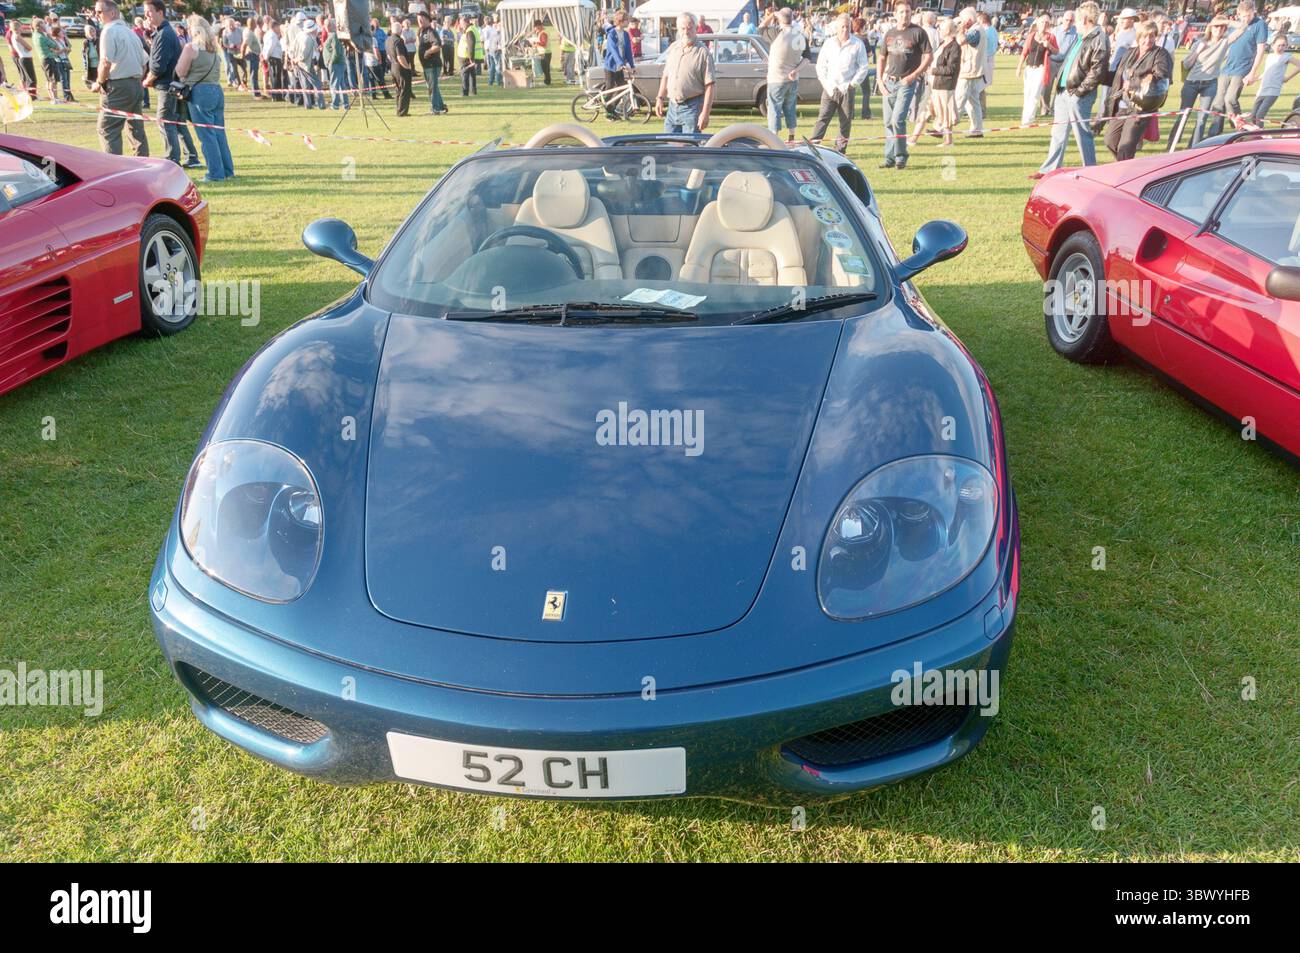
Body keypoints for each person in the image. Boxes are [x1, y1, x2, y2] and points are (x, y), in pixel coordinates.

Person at [1032, 1, 1108, 178]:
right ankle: (1048, 169)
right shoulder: (1081, 36)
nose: (1075, 24)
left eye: (1078, 20)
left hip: (1078, 94)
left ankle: (1091, 171)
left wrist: (1080, 92)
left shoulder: (1099, 38)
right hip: (1064, 90)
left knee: (1082, 133)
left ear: (1086, 19)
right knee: (1058, 132)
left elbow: (1097, 71)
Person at [1103, 20, 1171, 160]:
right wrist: (1100, 76)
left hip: (1141, 107)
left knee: (1126, 147)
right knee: (1110, 141)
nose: (1148, 40)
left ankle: (1125, 174)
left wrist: (1134, 84)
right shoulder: (1129, 53)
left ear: (1156, 37)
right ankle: (1127, 167)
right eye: (1145, 36)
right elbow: (1118, 76)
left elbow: (1160, 77)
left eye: (1152, 36)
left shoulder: (1161, 54)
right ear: (1138, 37)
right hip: (1122, 105)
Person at [142, 0, 199, 168]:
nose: (146, 15)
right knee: (179, 122)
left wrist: (147, 80)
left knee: (165, 121)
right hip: (174, 84)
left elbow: (158, 66)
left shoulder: (164, 34)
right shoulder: (163, 32)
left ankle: (172, 159)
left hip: (167, 86)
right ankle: (192, 157)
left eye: (149, 11)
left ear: (160, 12)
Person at [176, 15, 232, 182]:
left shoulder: (191, 48)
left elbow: (180, 72)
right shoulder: (213, 48)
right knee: (219, 133)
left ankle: (215, 173)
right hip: (216, 90)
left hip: (200, 93)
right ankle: (227, 170)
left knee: (206, 135)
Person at [876, 2, 930, 168]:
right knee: (887, 122)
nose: (905, 15)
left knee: (898, 119)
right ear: (895, 14)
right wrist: (879, 79)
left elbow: (928, 56)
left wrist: (914, 75)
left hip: (906, 82)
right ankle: (889, 158)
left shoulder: (918, 32)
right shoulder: (889, 33)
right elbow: (882, 57)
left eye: (907, 12)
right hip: (889, 82)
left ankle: (900, 157)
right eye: (901, 12)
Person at [92, 0, 149, 156]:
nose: (96, 15)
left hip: (117, 86)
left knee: (108, 129)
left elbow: (105, 63)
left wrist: (99, 83)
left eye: (99, 12)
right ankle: (143, 166)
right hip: (135, 84)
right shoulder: (130, 32)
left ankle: (114, 169)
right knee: (136, 129)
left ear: (112, 13)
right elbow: (145, 62)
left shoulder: (109, 31)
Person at [1206, 0, 1268, 137]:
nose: (1246, 18)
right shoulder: (1238, 25)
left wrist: (1252, 73)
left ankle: (1241, 128)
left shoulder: (1260, 25)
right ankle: (1214, 133)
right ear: (1238, 14)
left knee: (1230, 98)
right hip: (1227, 67)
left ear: (1254, 12)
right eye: (1243, 16)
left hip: (1242, 68)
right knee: (1218, 102)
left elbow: (1260, 50)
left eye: (1249, 15)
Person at [812, 12, 871, 153]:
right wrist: (827, 85)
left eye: (848, 26)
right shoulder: (829, 43)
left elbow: (864, 67)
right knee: (822, 120)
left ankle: (840, 151)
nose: (845, 29)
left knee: (845, 123)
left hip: (847, 89)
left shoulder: (857, 44)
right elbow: (820, 66)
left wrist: (852, 84)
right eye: (843, 27)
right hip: (830, 88)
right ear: (837, 28)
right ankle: (813, 148)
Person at [1170, 16, 1229, 146]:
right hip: (1192, 83)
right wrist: (1197, 51)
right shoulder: (1199, 42)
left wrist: (1227, 21)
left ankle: (1194, 147)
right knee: (1183, 115)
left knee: (1202, 118)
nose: (1218, 29)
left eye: (1222, 27)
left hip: (1210, 84)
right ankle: (1172, 144)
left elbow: (1241, 29)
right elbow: (1186, 65)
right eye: (1216, 26)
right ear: (1210, 28)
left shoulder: (1225, 43)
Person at [655, 13, 714, 133]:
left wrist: (705, 113)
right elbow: (666, 76)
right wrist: (660, 98)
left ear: (696, 29)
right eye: (683, 28)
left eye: (689, 28)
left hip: (692, 108)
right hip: (672, 107)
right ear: (678, 29)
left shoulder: (703, 53)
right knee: (669, 147)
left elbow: (710, 86)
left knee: (690, 149)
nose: (686, 32)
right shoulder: (673, 48)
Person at [910, 15, 959, 146]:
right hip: (934, 84)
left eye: (941, 28)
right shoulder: (943, 44)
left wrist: (933, 70)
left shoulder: (954, 47)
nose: (939, 30)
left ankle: (948, 141)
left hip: (944, 85)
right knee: (925, 110)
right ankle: (913, 139)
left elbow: (951, 69)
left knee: (945, 114)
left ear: (948, 31)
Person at [766, 7, 805, 143]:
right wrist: (796, 70)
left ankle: (774, 138)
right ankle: (791, 136)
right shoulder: (800, 35)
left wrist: (771, 15)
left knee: (774, 109)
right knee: (790, 107)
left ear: (780, 19)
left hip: (776, 78)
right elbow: (807, 57)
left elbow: (760, 28)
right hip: (793, 78)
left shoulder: (776, 32)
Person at [1247, 31, 1300, 123]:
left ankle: (1259, 136)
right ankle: (1254, 134)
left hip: (1273, 91)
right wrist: (1254, 79)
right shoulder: (1270, 56)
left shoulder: (1286, 56)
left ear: (1287, 46)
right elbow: (1267, 72)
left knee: (1259, 116)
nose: (1281, 47)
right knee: (1253, 116)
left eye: (1283, 45)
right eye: (1279, 45)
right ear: (1273, 45)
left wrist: (1287, 78)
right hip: (1262, 90)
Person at [1017, 15, 1057, 124]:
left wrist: (1049, 45)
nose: (1044, 24)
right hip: (1029, 68)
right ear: (1038, 24)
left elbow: (1057, 51)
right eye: (1042, 22)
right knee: (1027, 93)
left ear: (1048, 25)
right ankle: (1025, 117)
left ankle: (1028, 120)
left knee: (1035, 94)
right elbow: (1025, 52)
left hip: (1041, 69)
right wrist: (1019, 67)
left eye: (1046, 23)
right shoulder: (1031, 36)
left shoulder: (1051, 37)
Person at [955, 8, 986, 137]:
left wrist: (961, 29)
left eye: (962, 21)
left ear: (968, 20)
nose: (960, 23)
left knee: (959, 100)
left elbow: (961, 40)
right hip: (973, 71)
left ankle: (943, 127)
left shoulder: (975, 31)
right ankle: (977, 130)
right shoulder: (978, 29)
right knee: (973, 102)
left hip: (969, 72)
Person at [603, 10, 634, 118]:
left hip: (621, 66)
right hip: (611, 66)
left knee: (621, 88)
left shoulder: (625, 34)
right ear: (621, 21)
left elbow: (628, 50)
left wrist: (632, 65)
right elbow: (614, 50)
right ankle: (607, 110)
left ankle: (611, 108)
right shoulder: (611, 34)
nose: (628, 22)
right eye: (627, 20)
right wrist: (621, 64)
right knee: (610, 87)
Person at [416, 11, 446, 113]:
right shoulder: (422, 31)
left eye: (421, 19)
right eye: (418, 20)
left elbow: (437, 46)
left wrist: (427, 52)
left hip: (432, 64)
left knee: (432, 87)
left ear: (427, 19)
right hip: (427, 65)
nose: (419, 21)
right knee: (433, 86)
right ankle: (441, 106)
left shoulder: (430, 32)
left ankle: (435, 108)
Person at [386, 14, 412, 115]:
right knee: (404, 89)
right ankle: (402, 111)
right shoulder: (398, 41)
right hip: (400, 68)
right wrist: (407, 67)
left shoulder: (388, 40)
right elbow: (400, 57)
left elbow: (388, 55)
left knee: (398, 89)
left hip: (393, 66)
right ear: (400, 30)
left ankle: (398, 109)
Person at [324, 16, 349, 108]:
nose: (325, 27)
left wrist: (331, 61)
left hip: (336, 63)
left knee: (334, 84)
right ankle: (345, 104)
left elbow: (337, 51)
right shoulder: (332, 35)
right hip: (338, 63)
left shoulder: (334, 35)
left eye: (327, 25)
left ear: (330, 26)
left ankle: (335, 104)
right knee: (341, 84)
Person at [262, 16, 285, 102]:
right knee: (276, 77)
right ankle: (276, 96)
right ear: (274, 27)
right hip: (274, 58)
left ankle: (276, 95)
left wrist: (265, 56)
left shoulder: (267, 34)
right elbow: (270, 47)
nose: (279, 29)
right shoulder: (273, 36)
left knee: (274, 77)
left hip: (271, 58)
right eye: (278, 27)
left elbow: (265, 47)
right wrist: (266, 57)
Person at [456, 14, 477, 95]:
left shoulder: (469, 31)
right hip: (467, 56)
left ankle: (465, 92)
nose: (460, 25)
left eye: (461, 23)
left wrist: (471, 58)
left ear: (466, 22)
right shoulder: (471, 29)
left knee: (465, 75)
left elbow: (471, 45)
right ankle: (473, 91)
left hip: (466, 57)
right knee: (472, 75)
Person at [242, 17, 261, 99]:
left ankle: (257, 92)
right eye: (255, 23)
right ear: (253, 24)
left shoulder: (247, 31)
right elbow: (244, 45)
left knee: (254, 75)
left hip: (253, 54)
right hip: (253, 55)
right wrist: (242, 55)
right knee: (254, 75)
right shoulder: (249, 33)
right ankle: (255, 94)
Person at [483, 13, 502, 87]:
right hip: (494, 48)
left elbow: (483, 39)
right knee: (496, 65)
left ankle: (491, 81)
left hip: (488, 49)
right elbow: (498, 39)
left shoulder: (485, 30)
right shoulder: (494, 30)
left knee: (492, 66)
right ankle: (498, 81)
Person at [531, 19, 551, 85]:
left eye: (535, 27)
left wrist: (536, 43)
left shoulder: (543, 33)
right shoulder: (541, 33)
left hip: (545, 52)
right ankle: (547, 81)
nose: (535, 29)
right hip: (544, 52)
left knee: (545, 68)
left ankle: (547, 82)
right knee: (545, 68)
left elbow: (544, 43)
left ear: (538, 26)